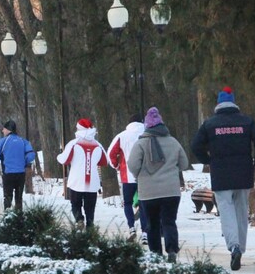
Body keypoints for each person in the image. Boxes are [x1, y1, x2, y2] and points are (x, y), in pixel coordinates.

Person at [191, 87, 255, 271]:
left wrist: (208, 160)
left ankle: (234, 247)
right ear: (234, 103)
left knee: (226, 210)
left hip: (221, 173)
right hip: (243, 172)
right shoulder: (246, 122)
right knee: (241, 210)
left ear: (218, 104)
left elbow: (195, 146)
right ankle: (240, 246)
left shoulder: (210, 124)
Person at [127, 107, 189, 262]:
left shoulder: (140, 144)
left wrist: (139, 175)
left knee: (152, 224)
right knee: (169, 221)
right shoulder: (173, 142)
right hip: (171, 192)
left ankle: (156, 254)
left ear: (147, 126)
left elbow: (133, 165)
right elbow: (184, 163)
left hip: (148, 193)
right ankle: (172, 250)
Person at [57, 118, 108, 230]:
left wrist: (59, 156)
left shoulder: (74, 144)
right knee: (90, 207)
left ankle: (79, 219)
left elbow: (64, 160)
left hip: (76, 181)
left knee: (75, 204)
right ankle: (90, 226)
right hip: (92, 183)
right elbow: (105, 161)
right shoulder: (97, 145)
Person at [108, 113, 150, 243]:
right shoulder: (148, 135)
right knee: (143, 205)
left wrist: (116, 166)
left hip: (128, 176)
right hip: (145, 176)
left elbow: (111, 154)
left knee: (127, 203)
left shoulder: (122, 136)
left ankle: (131, 227)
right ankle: (145, 233)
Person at [0, 120, 36, 210]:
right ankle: (19, 217)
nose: (2, 131)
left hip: (8, 173)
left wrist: (2, 157)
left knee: (8, 197)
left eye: (3, 129)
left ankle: (7, 217)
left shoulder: (2, 141)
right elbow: (31, 155)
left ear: (8, 129)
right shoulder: (23, 141)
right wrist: (23, 161)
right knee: (19, 198)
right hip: (21, 174)